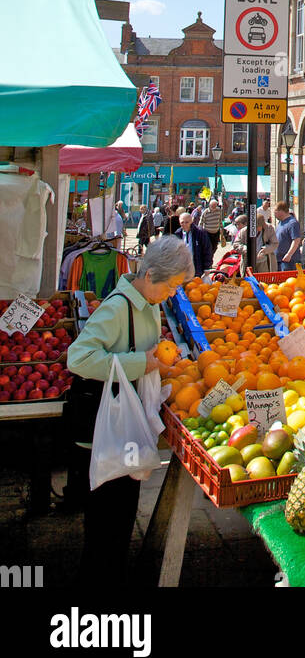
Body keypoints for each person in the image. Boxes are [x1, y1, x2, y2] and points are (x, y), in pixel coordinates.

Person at [66, 236, 194, 584]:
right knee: (106, 521)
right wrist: (141, 362)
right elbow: (78, 358)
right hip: (104, 427)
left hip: (125, 422)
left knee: (121, 517)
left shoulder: (149, 304)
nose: (172, 293)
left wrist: (161, 360)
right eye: (170, 286)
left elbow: (145, 354)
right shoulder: (118, 307)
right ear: (150, 274)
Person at [175, 210, 214, 278]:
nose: (184, 224)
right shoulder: (178, 234)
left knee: (195, 286)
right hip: (182, 268)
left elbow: (207, 250)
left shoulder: (200, 232)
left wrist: (207, 267)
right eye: (182, 222)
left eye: (187, 222)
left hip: (196, 266)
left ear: (191, 221)